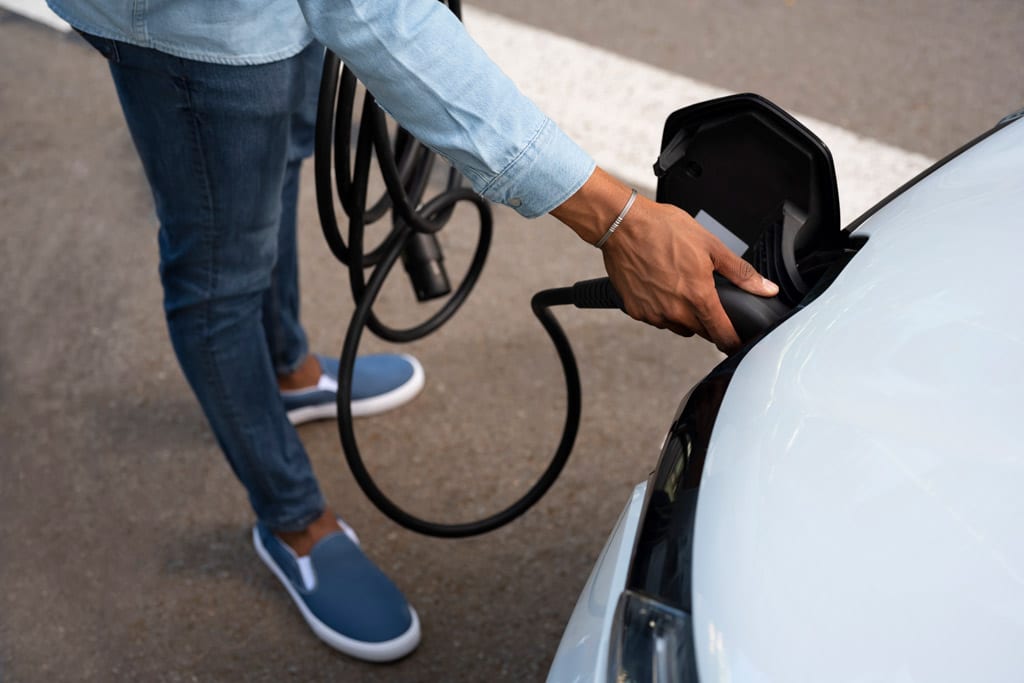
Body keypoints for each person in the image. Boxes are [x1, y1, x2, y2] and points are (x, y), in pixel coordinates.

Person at [47, 0, 778, 663]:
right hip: (196, 31)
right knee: (218, 280)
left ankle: (285, 367)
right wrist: (617, 218)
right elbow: (370, 10)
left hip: (277, 14)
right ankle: (294, 524)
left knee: (272, 172)